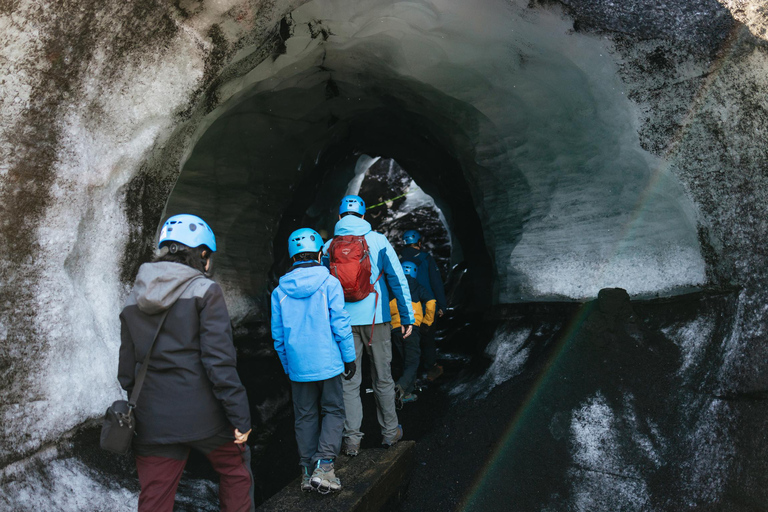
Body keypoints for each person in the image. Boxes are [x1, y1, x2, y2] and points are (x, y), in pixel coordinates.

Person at [118, 214, 254, 512]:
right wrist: (240, 419)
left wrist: (145, 411)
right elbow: (219, 363)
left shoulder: (134, 297)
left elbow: (126, 371)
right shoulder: (206, 291)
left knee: (155, 496)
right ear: (202, 254)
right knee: (235, 470)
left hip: (153, 420)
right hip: (206, 418)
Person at [322, 195, 415, 455]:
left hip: (343, 324)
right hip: (378, 320)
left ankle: (352, 440)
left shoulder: (329, 246)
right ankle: (390, 433)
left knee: (349, 382)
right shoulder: (378, 240)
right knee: (383, 378)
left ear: (339, 217)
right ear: (363, 216)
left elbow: (323, 290)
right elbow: (398, 279)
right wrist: (407, 317)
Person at [271, 228, 356, 494]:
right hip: (328, 362)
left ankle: (308, 472)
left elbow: (278, 337)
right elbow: (340, 323)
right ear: (320, 253)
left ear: (292, 256)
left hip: (299, 366)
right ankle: (325, 465)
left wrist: (289, 366)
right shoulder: (329, 283)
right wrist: (349, 357)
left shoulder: (279, 292)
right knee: (333, 410)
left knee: (305, 416)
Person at [400, 229, 447, 381]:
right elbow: (436, 283)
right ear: (419, 243)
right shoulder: (426, 259)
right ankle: (431, 369)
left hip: (407, 309)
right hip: (427, 307)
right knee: (428, 339)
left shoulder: (398, 260)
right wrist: (441, 305)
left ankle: (412, 373)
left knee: (410, 341)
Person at [390, 261, 436, 406]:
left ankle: (407, 393)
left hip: (395, 329)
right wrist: (427, 323)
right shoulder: (417, 286)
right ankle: (400, 387)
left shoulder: (393, 287)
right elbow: (431, 302)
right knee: (413, 360)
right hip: (412, 327)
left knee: (406, 360)